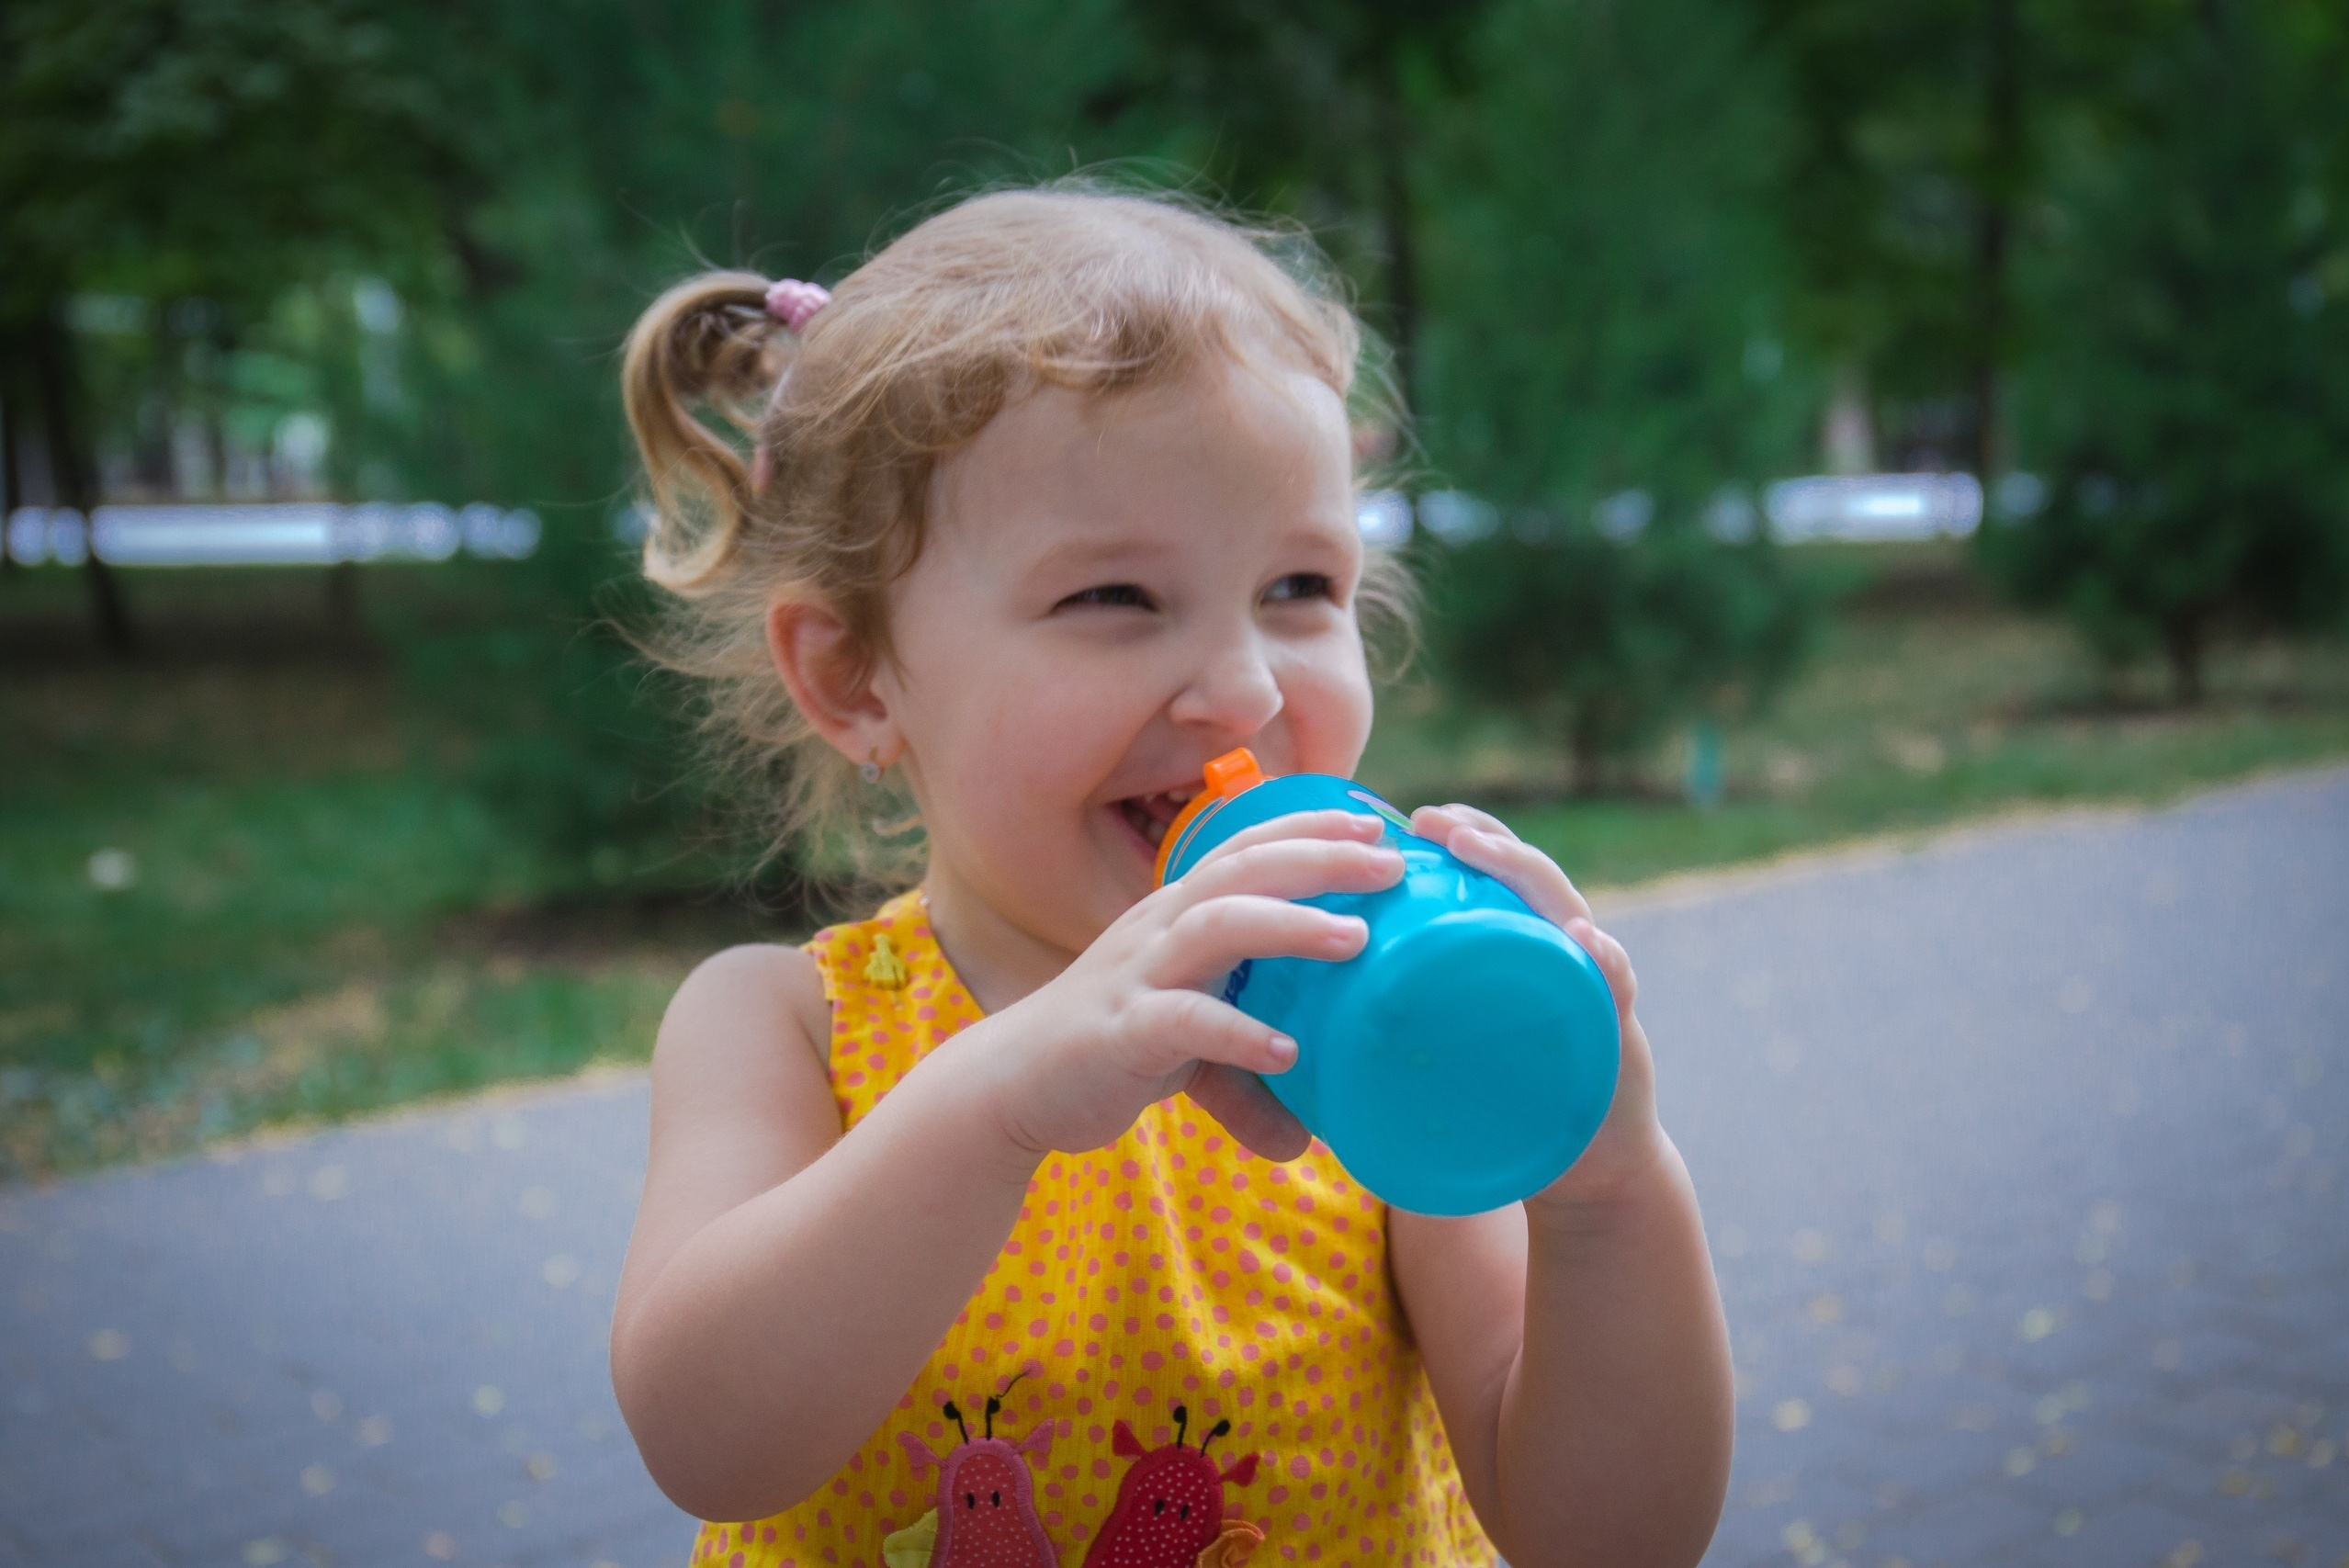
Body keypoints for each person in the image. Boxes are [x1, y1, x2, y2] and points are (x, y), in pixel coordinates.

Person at [608, 184, 1733, 1568]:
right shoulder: (787, 1025)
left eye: (1302, 589)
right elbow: (709, 1440)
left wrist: (1607, 1192)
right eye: (1116, 600)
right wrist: (1006, 1099)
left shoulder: (1363, 1031)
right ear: (855, 676)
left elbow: (1608, 1541)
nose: (1246, 687)